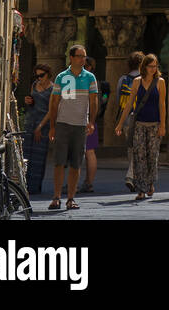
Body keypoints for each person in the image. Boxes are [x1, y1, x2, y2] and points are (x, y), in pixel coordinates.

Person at [46, 44, 98, 211]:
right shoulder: (62, 77)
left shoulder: (90, 77)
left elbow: (94, 100)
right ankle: (56, 197)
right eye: (80, 56)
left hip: (80, 125)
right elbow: (54, 102)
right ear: (72, 58)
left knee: (76, 163)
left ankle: (70, 198)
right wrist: (52, 126)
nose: (83, 59)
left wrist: (91, 121)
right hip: (62, 124)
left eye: (84, 56)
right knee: (59, 162)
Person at [115, 54, 166, 200]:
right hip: (139, 124)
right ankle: (141, 189)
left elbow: (162, 105)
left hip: (154, 124)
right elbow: (129, 104)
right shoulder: (137, 81)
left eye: (155, 66)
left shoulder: (160, 82)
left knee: (152, 156)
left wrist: (163, 125)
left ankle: (150, 183)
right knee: (139, 156)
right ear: (144, 66)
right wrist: (120, 123)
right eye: (150, 66)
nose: (153, 69)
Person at [21, 63, 53, 195]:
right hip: (30, 121)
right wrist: (28, 101)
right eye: (37, 75)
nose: (39, 78)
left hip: (43, 124)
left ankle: (35, 187)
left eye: (42, 75)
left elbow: (51, 110)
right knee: (26, 154)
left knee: (39, 157)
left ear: (48, 75)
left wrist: (40, 127)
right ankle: (24, 185)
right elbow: (32, 102)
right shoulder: (34, 85)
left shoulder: (53, 89)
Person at [116, 50, 145, 192]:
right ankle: (131, 175)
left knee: (131, 148)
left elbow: (118, 100)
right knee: (140, 149)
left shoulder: (123, 79)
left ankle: (133, 175)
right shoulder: (144, 79)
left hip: (127, 118)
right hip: (142, 117)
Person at [80, 57, 109, 193]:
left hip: (85, 120)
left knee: (87, 152)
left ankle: (87, 182)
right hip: (91, 120)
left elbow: (95, 102)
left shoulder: (87, 80)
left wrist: (90, 120)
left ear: (90, 67)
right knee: (88, 152)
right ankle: (88, 182)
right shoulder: (93, 80)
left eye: (85, 64)